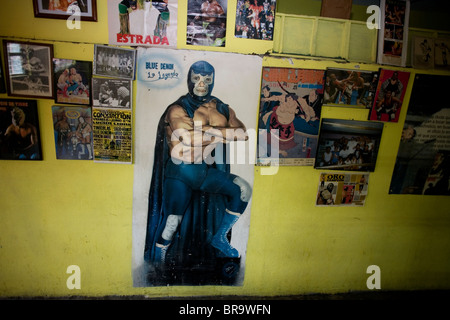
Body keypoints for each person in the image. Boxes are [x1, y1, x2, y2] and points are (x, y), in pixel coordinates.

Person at [144, 61, 252, 269]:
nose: (201, 84)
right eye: (197, 78)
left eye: (207, 79)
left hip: (202, 172)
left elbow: (243, 134)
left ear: (213, 81)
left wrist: (205, 132)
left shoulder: (221, 107)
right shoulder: (177, 108)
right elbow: (186, 138)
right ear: (190, 79)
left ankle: (219, 238)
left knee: (243, 190)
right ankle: (157, 265)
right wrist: (221, 133)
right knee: (171, 223)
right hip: (179, 172)